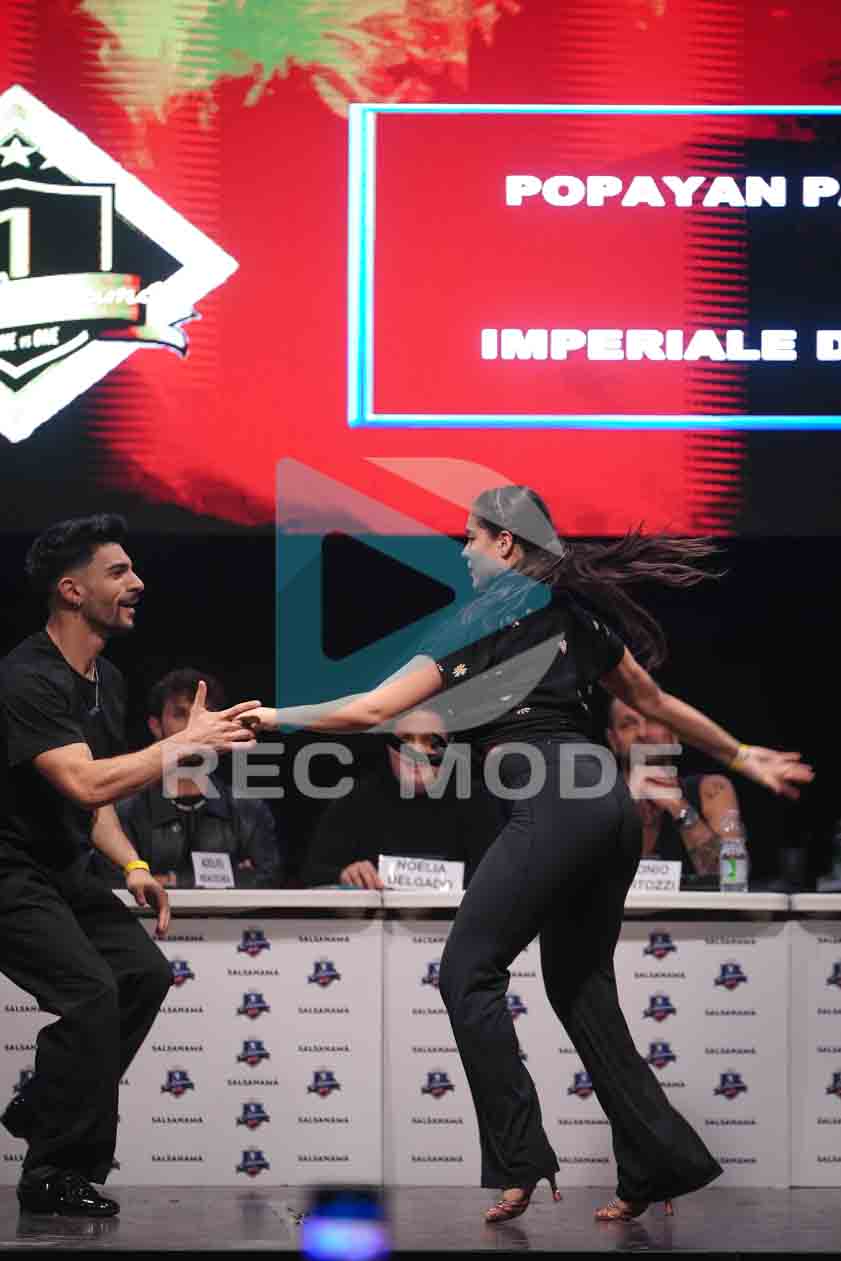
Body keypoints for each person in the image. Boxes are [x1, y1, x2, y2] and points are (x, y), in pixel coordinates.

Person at [240, 485, 812, 1225]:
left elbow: (371, 710)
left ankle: (520, 1159)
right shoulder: (573, 614)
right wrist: (739, 753)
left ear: (505, 543)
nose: (462, 551)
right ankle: (657, 1162)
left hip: (555, 805)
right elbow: (656, 702)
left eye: (471, 537)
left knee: (465, 971)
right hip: (607, 805)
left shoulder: (475, 618)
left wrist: (272, 717)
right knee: (580, 989)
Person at [0, 515, 258, 1217]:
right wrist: (186, 744)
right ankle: (51, 1171)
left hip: (62, 867)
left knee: (142, 974)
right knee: (90, 993)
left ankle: (45, 1103)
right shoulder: (26, 678)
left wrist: (135, 863)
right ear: (71, 590)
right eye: (118, 571)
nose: (137, 582)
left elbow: (98, 801)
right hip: (9, 871)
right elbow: (84, 783)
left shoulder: (106, 681)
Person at [92, 668, 285, 889]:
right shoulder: (125, 812)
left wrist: (172, 881)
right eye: (180, 715)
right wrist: (235, 876)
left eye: (204, 717)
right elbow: (112, 883)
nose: (195, 728)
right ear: (156, 726)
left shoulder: (248, 810)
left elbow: (269, 879)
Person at [301, 706, 498, 890]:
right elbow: (312, 875)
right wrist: (344, 875)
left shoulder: (477, 804)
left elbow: (497, 882)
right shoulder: (354, 803)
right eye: (406, 740)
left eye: (431, 742)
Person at [606, 695, 743, 877]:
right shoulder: (597, 800)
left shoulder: (711, 790)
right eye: (628, 724)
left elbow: (733, 876)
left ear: (674, 734)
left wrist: (679, 807)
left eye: (653, 720)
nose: (643, 733)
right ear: (613, 740)